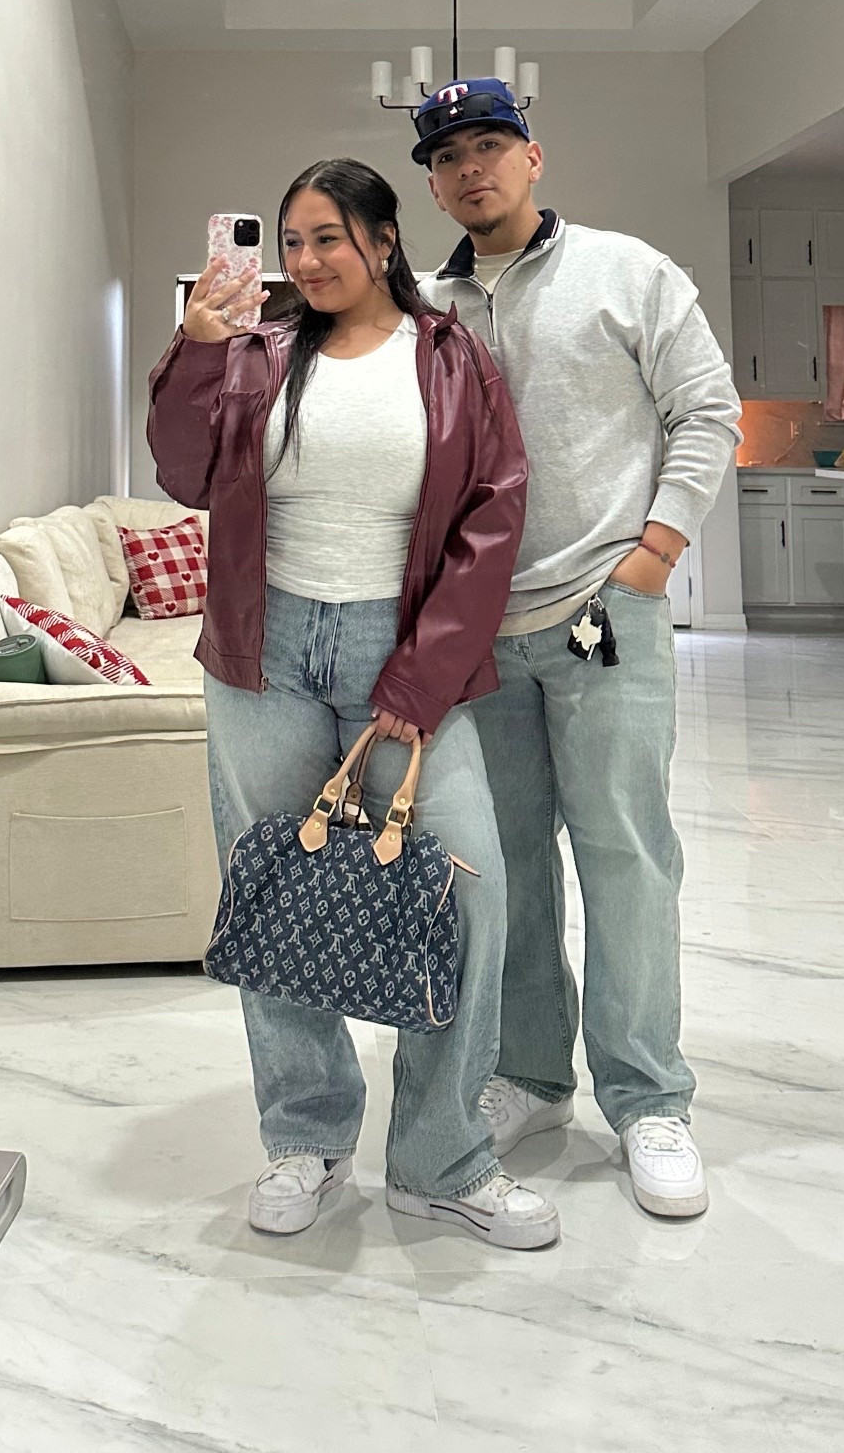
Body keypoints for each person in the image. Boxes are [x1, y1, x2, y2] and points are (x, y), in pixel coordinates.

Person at [147, 157, 560, 1251]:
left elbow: (491, 515)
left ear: (383, 240)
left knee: (466, 888)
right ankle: (307, 1136)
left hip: (400, 643)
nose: (306, 259)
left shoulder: (451, 356)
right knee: (273, 890)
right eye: (291, 241)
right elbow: (184, 473)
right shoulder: (255, 352)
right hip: (264, 650)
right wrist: (196, 349)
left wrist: (422, 674)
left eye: (328, 236)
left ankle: (441, 1158)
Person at [412, 80, 741, 1219]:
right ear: (433, 184)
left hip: (605, 614)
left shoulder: (627, 272)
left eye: (488, 144)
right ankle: (533, 1075)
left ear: (532, 156)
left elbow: (707, 410)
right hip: (480, 636)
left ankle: (649, 1099)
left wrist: (654, 550)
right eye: (447, 156)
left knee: (625, 854)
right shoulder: (426, 308)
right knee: (504, 864)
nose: (471, 167)